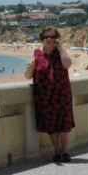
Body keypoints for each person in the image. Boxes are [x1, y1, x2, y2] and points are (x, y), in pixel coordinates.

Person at [25, 27, 75, 162]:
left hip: (62, 93)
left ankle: (65, 151)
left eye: (52, 37)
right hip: (45, 95)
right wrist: (31, 66)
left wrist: (60, 48)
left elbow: (67, 64)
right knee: (51, 125)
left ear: (56, 39)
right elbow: (28, 76)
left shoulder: (61, 52)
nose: (49, 39)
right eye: (46, 37)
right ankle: (57, 151)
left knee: (64, 124)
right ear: (42, 38)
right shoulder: (36, 54)